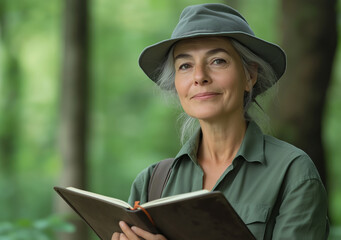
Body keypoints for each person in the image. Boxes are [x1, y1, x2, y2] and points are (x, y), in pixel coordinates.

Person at [111, 3, 329, 240]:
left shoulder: (293, 173)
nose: (200, 77)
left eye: (218, 61)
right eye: (185, 65)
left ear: (250, 75)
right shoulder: (151, 183)